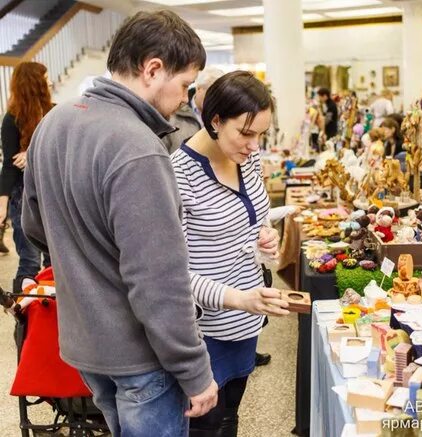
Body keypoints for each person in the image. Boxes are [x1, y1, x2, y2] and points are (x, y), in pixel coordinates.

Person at [19, 11, 288, 436]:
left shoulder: (53, 123)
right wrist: (195, 370)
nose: (185, 100)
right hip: (142, 354)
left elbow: (35, 229)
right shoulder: (140, 148)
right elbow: (159, 279)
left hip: (85, 345)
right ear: (152, 69)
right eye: (184, 85)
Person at [171, 70, 290, 436]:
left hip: (245, 323)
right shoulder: (179, 175)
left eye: (262, 134)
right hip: (204, 332)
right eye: (246, 132)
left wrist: (264, 236)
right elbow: (173, 276)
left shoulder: (245, 158)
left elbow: (253, 216)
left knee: (230, 417)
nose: (255, 145)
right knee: (206, 426)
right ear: (215, 120)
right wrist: (238, 299)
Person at [0, 62, 52, 291]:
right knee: (29, 263)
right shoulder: (11, 119)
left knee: (55, 263)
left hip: (52, 194)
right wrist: (2, 206)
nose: (49, 82)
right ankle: (24, 324)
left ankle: (55, 321)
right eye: (45, 77)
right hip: (22, 196)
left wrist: (31, 154)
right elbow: (9, 168)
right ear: (35, 83)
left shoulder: (55, 113)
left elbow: (61, 152)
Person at [162, 68, 226, 154]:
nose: (216, 100)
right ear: (199, 89)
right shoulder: (172, 113)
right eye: (212, 94)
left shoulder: (226, 117)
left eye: (220, 96)